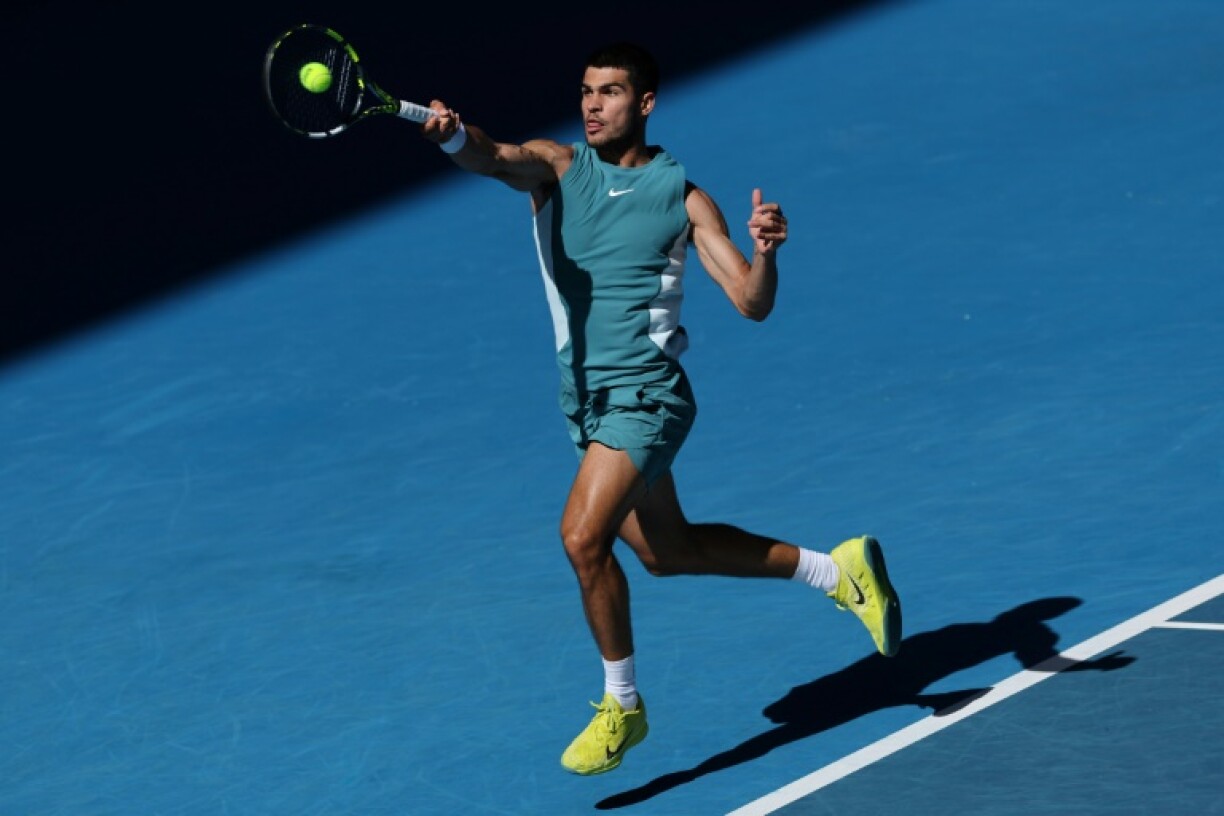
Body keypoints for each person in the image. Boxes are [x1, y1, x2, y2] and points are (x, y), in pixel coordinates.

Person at [418, 42, 901, 775]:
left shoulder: (683, 198)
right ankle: (838, 573)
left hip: (647, 397)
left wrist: (768, 252)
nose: (592, 105)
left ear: (644, 104)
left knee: (582, 539)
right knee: (666, 552)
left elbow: (750, 302)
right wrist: (453, 134)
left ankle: (623, 706)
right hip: (586, 403)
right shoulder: (557, 168)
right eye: (585, 91)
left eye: (609, 93)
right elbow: (490, 155)